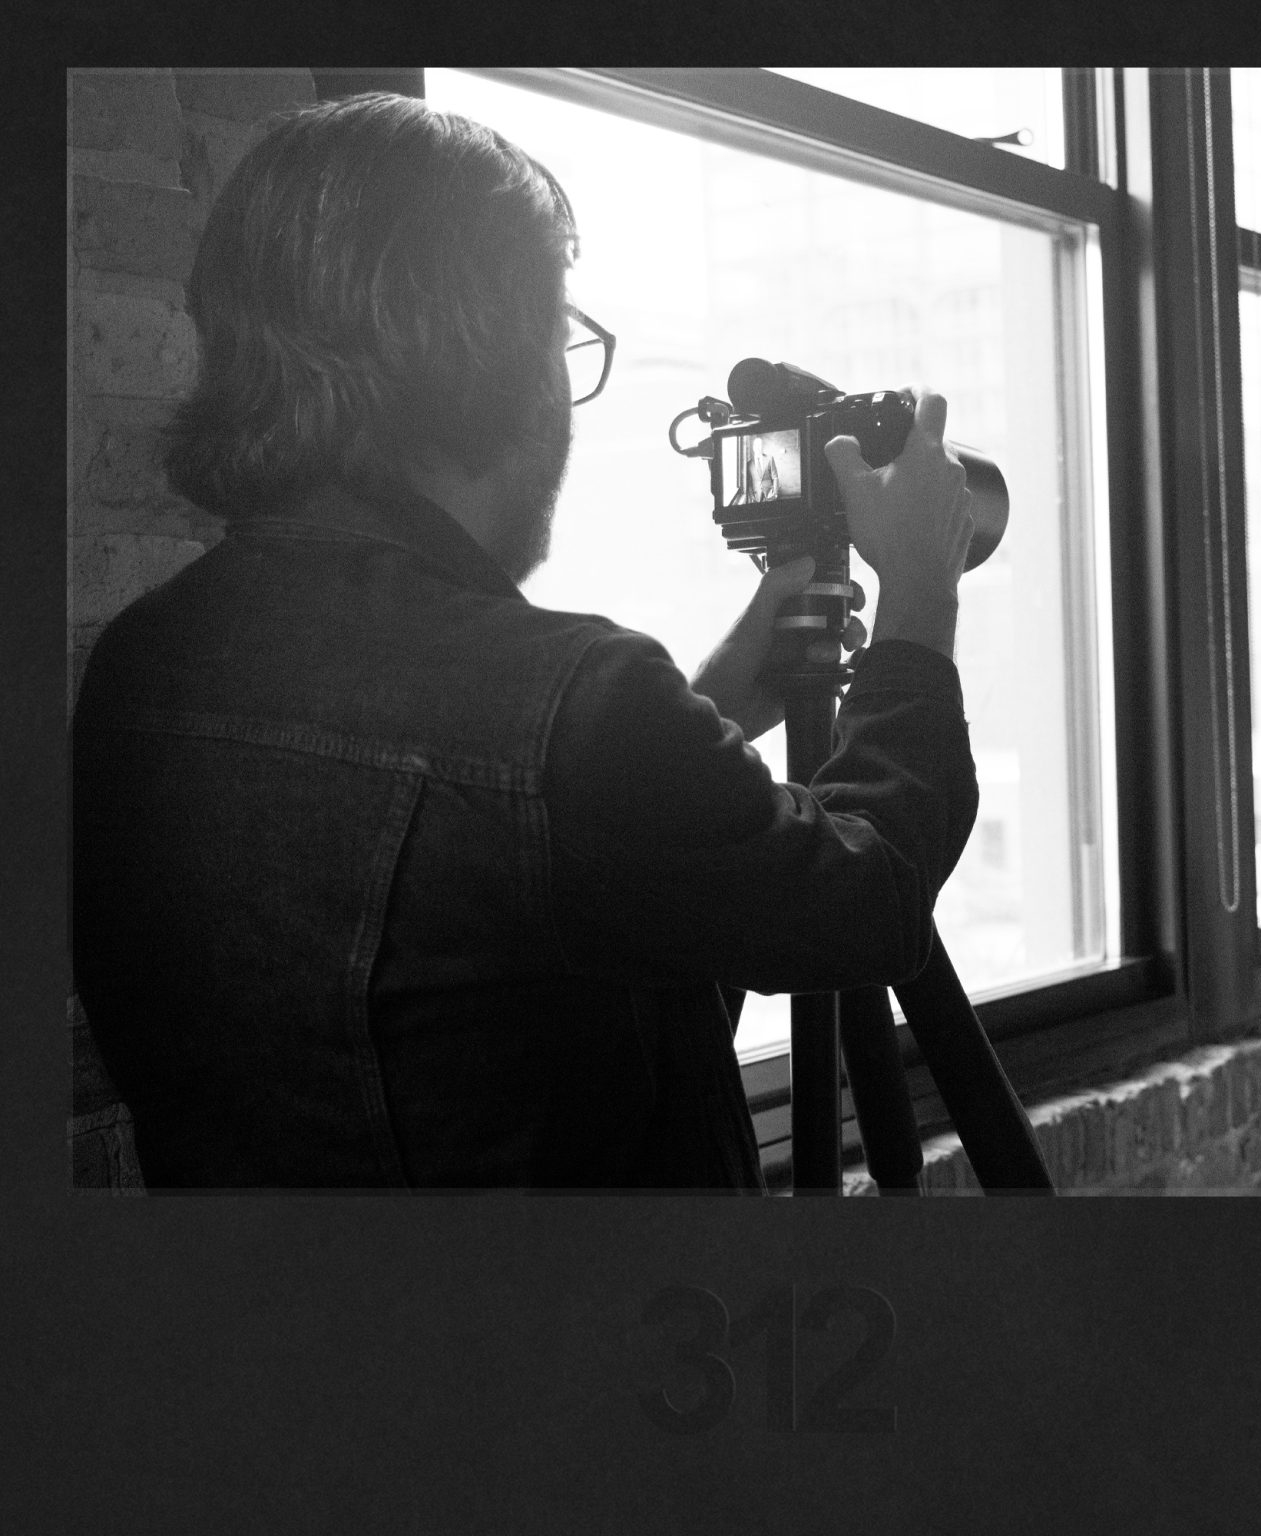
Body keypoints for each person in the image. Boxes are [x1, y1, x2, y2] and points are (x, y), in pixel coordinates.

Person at [70, 93, 977, 1190]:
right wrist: (922, 597)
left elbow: (519, 868)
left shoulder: (142, 665)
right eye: (560, 337)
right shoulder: (581, 705)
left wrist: (723, 699)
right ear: (488, 359)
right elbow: (867, 909)